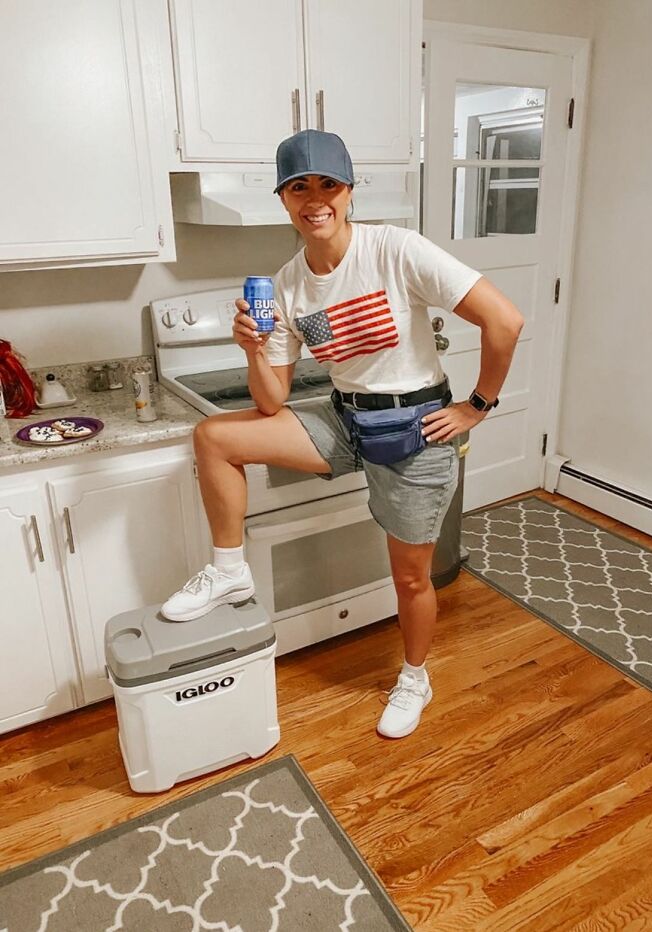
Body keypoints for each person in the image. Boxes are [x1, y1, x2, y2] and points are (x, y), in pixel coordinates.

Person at [162, 129, 524, 739]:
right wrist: (252, 348)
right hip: (345, 420)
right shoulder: (287, 283)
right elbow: (272, 398)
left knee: (410, 577)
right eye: (298, 186)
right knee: (216, 438)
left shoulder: (395, 250)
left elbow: (504, 320)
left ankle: (414, 678)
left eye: (328, 183)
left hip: (416, 431)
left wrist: (477, 406)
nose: (314, 198)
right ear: (283, 199)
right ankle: (228, 570)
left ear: (349, 190)